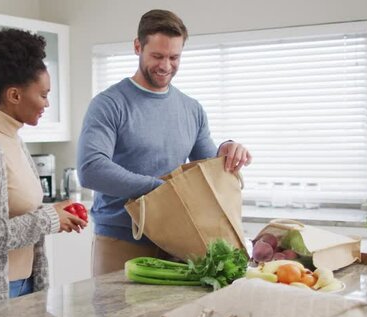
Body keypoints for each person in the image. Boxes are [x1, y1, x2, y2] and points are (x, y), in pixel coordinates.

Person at [77, 9, 252, 276]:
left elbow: (205, 170)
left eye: (174, 57)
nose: (166, 66)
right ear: (138, 46)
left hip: (180, 242)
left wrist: (227, 150)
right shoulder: (109, 104)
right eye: (157, 56)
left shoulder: (191, 109)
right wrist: (159, 189)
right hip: (122, 239)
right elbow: (91, 169)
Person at [0, 28, 87, 313]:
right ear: (14, 95)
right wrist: (48, 220)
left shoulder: (15, 141)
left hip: (24, 287)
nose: (47, 103)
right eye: (43, 95)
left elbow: (20, 214)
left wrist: (56, 213)